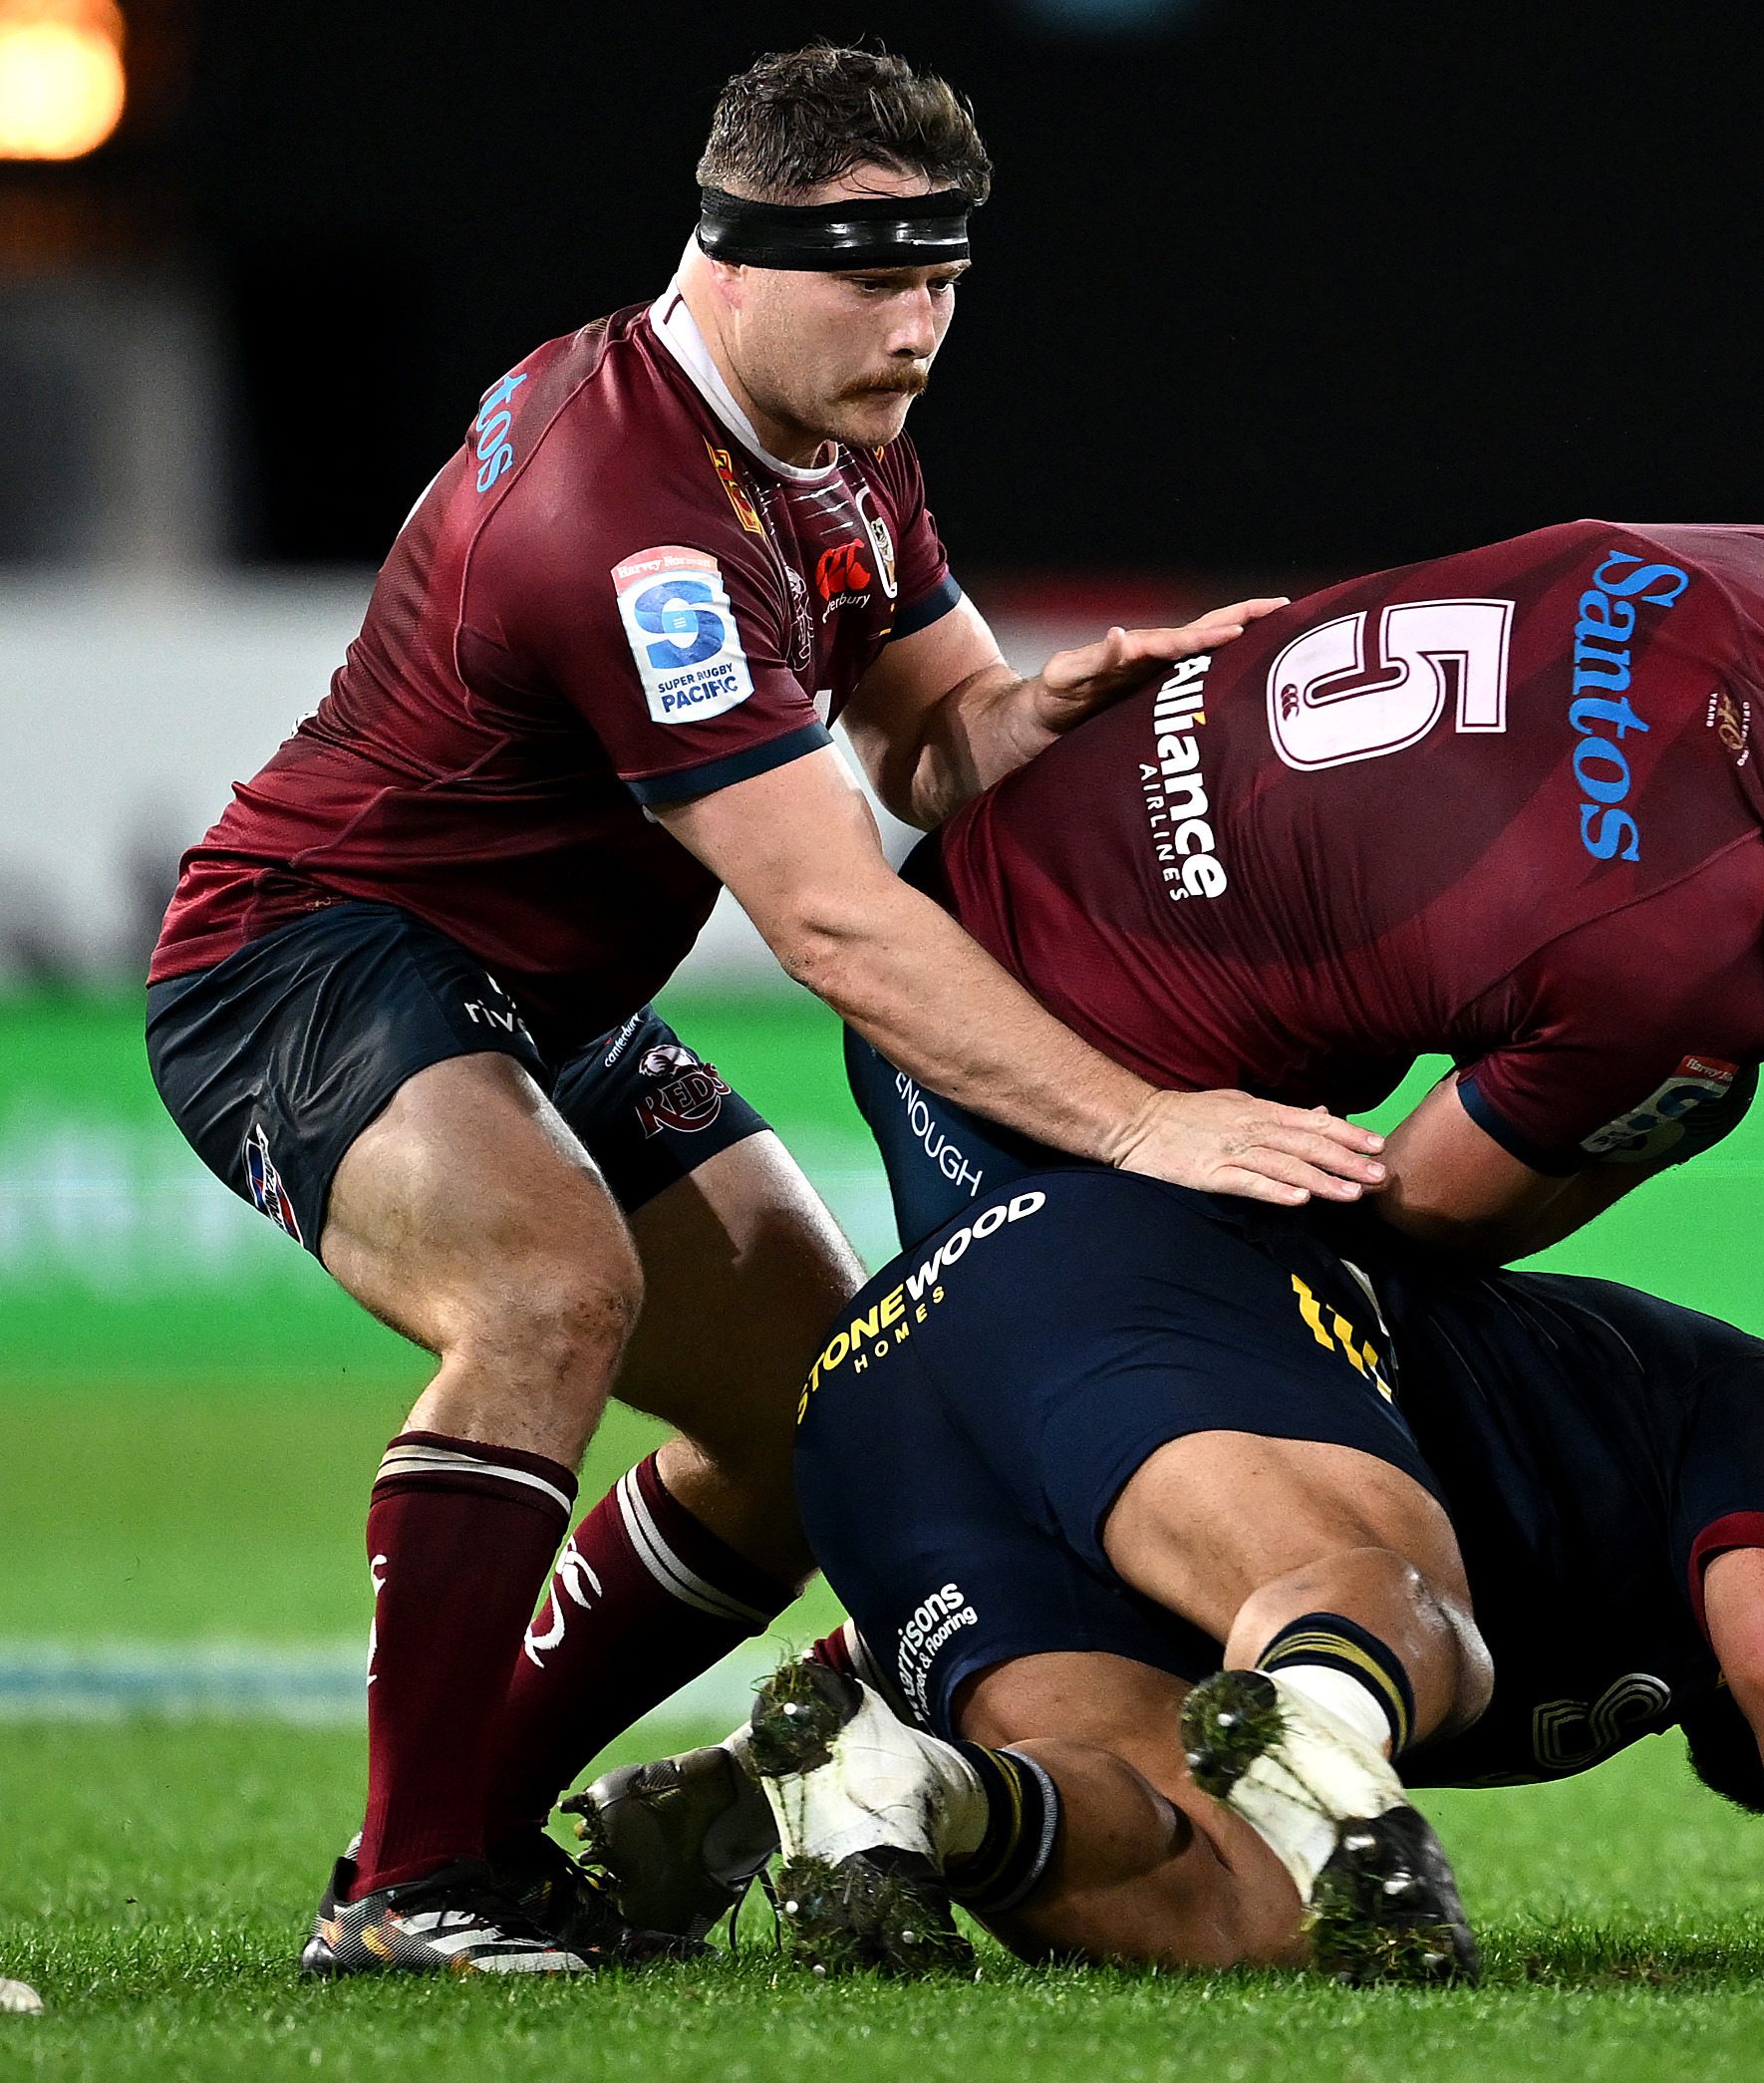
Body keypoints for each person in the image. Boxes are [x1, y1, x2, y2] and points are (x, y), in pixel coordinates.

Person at [166, 46, 1390, 1978]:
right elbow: (828, 918)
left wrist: (1048, 714)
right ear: (729, 253)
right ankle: (408, 1891)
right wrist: (1141, 1119)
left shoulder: (831, 432)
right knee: (548, 1292)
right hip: (310, 954)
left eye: (943, 280)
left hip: (535, 997)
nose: (917, 327)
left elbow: (929, 739)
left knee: (821, 1413)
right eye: (872, 277)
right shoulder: (630, 515)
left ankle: (461, 1837)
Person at [566, 1166, 1764, 1979]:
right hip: (1126, 1266)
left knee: (1240, 1903)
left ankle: (899, 1789)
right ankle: (1331, 1735)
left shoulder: (1632, 1668)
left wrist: (861, 1679)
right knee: (1409, 1618)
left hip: (882, 1419)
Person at [849, 519, 1764, 1261]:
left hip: (993, 857)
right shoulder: (1675, 1005)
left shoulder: (1749, 619)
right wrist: (1654, 1120)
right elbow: (1416, 1218)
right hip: (1034, 1069)